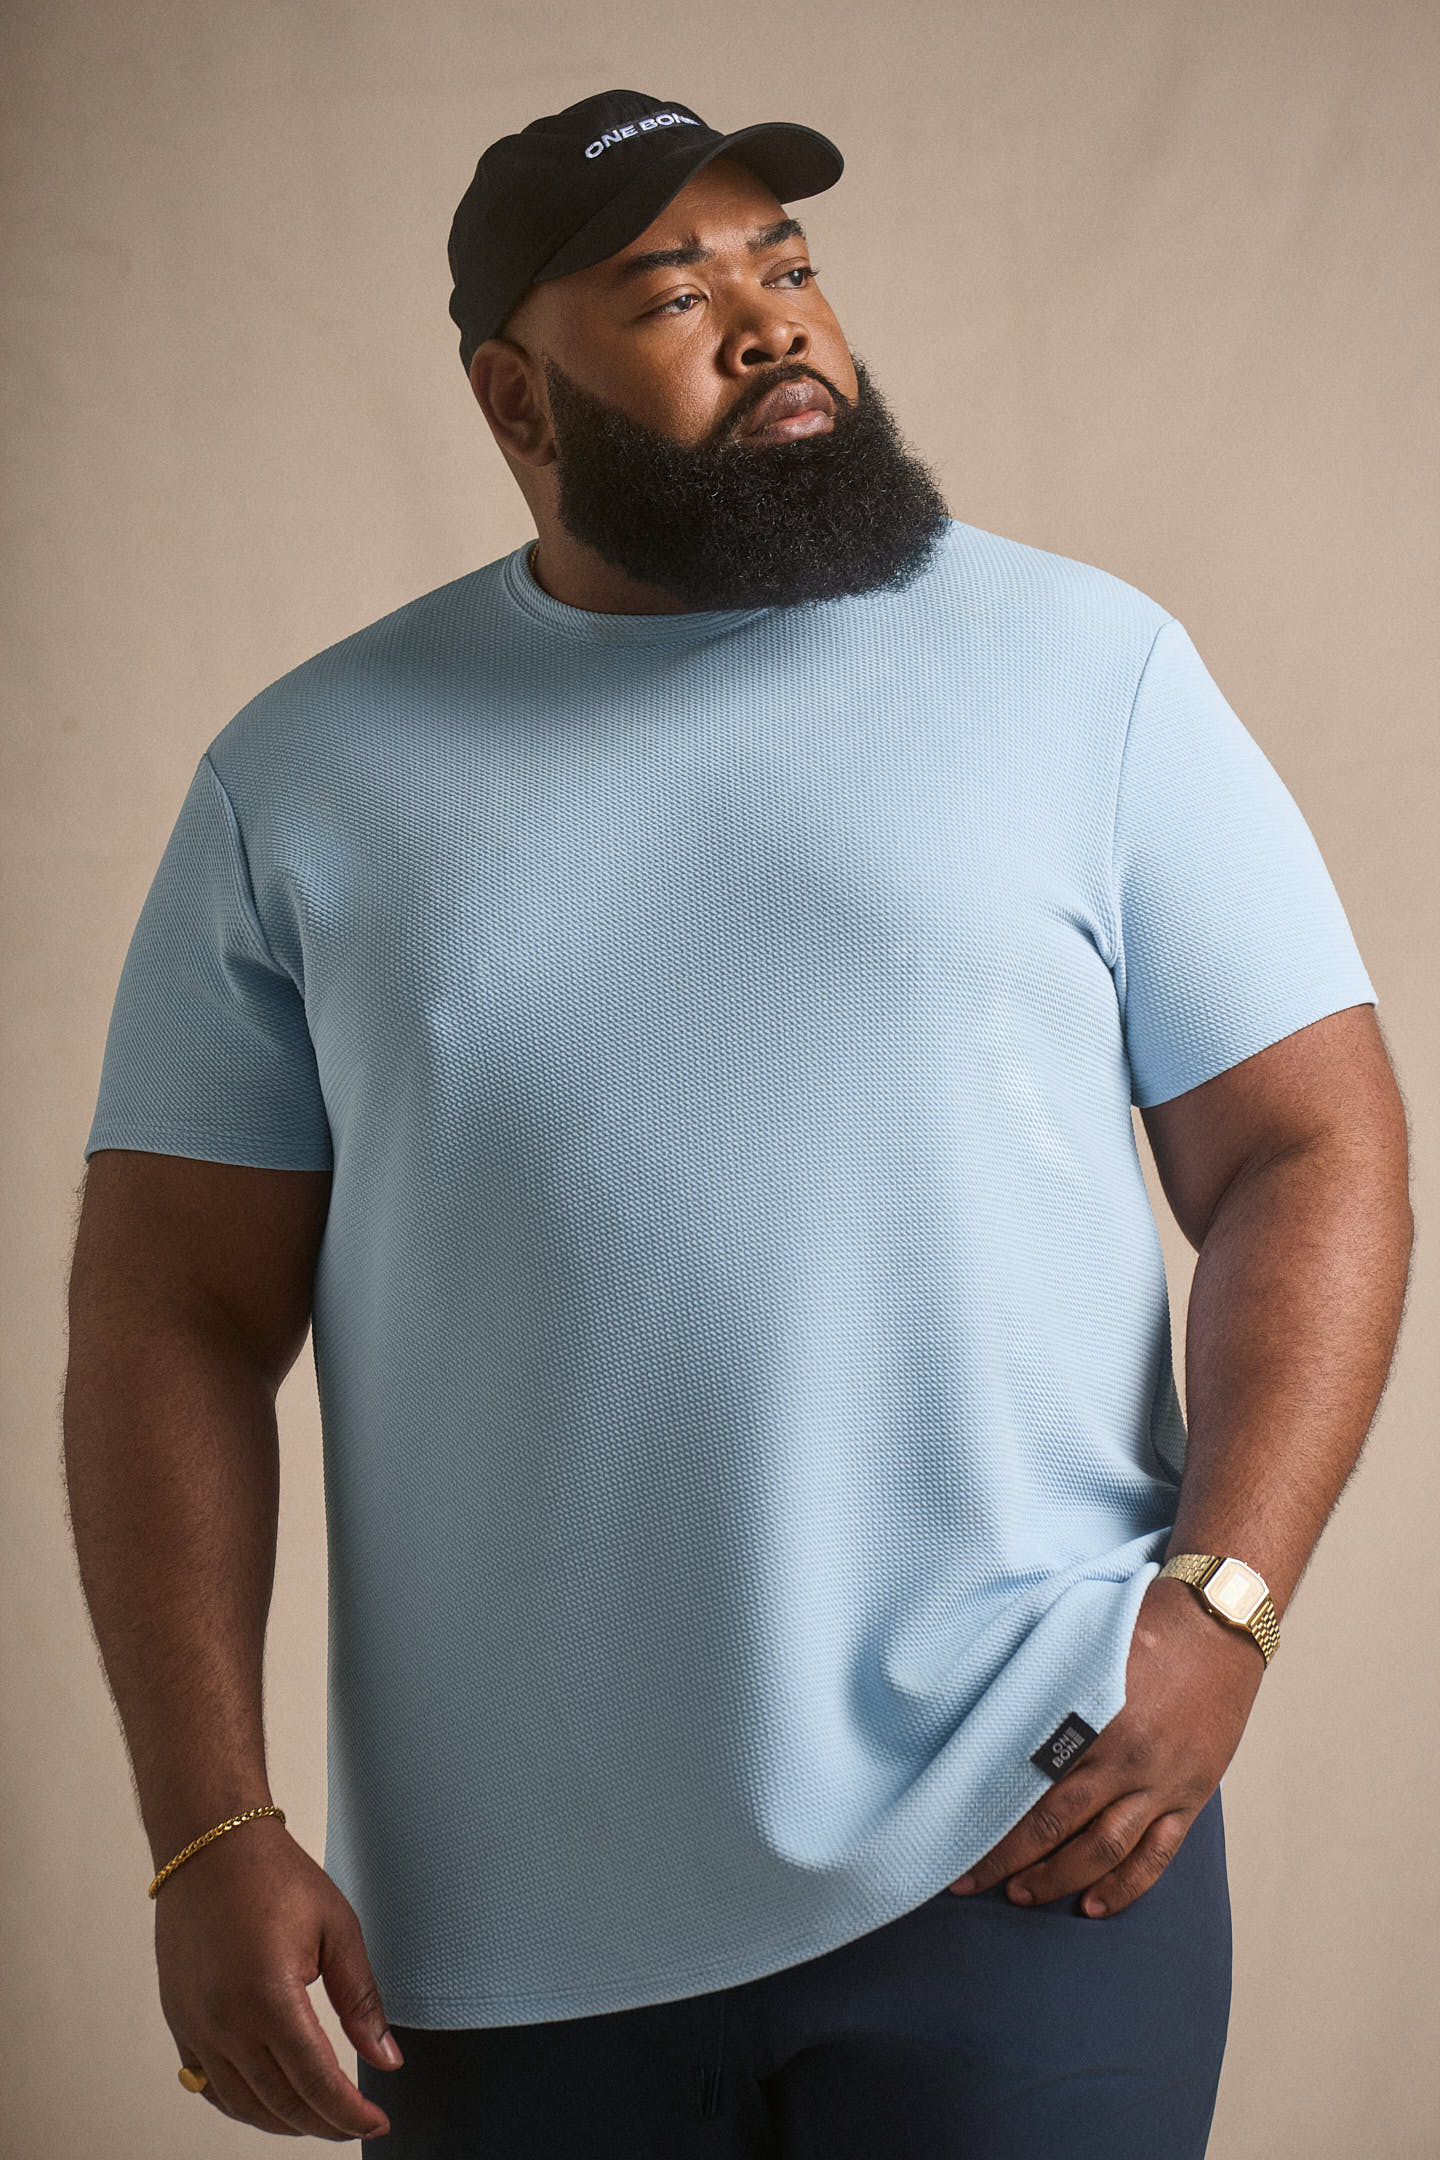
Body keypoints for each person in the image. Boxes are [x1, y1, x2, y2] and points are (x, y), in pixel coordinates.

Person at [63, 86, 1413, 2157]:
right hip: (498, 1935)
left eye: (789, 267)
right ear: (517, 400)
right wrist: (204, 1828)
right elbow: (171, 1314)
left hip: (1037, 1835)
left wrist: (1219, 1612)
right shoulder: (304, 779)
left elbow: (1313, 1147)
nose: (774, 323)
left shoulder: (1088, 671)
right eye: (673, 294)